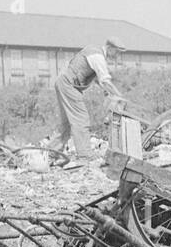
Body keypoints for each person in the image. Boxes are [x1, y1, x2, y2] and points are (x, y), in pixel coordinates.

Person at [51, 37, 126, 169]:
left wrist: (108, 92)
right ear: (110, 48)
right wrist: (120, 97)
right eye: (117, 52)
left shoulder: (94, 53)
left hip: (64, 83)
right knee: (81, 119)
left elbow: (97, 80)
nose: (118, 56)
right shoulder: (97, 56)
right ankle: (84, 156)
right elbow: (105, 81)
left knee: (67, 123)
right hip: (69, 85)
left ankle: (51, 154)